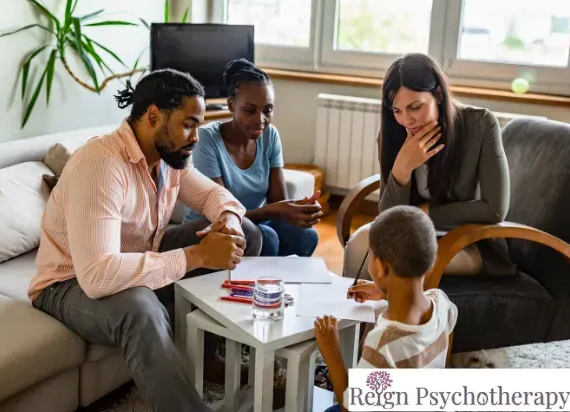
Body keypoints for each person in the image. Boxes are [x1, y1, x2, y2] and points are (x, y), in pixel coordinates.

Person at [28, 69, 263, 412]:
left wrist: (227, 221)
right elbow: (97, 276)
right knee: (140, 308)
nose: (196, 136)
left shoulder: (171, 159)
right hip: (68, 282)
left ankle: (208, 352)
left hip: (137, 257)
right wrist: (196, 255)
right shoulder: (102, 166)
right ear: (153, 116)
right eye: (188, 124)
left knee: (248, 235)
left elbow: (216, 197)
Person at [344, 52, 516, 281]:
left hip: (467, 242)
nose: (406, 120)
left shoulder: (480, 125)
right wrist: (401, 171)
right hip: (413, 235)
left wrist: (426, 213)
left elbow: (495, 208)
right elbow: (388, 216)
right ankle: (355, 315)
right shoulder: (393, 135)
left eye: (415, 107)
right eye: (397, 110)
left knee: (395, 261)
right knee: (357, 245)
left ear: (438, 94)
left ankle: (392, 317)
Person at [315, 205, 458, 411]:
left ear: (381, 267)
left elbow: (351, 407)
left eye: (370, 255)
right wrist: (384, 292)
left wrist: (332, 352)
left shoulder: (383, 343)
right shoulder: (441, 302)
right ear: (431, 261)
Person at [184, 58, 321, 257]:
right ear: (231, 105)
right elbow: (221, 210)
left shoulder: (270, 135)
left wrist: (299, 209)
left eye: (268, 110)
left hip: (254, 220)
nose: (260, 119)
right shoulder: (207, 139)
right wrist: (278, 210)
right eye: (250, 110)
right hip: (212, 224)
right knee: (267, 236)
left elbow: (277, 201)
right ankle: (256, 287)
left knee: (306, 235)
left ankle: (280, 285)